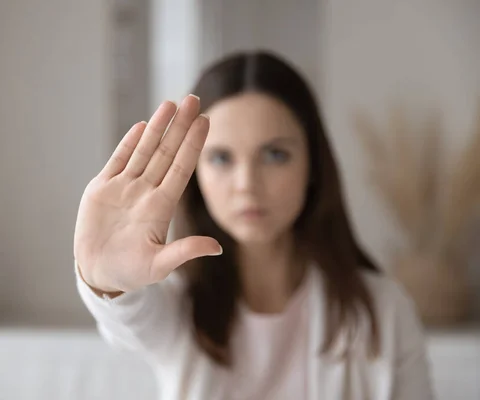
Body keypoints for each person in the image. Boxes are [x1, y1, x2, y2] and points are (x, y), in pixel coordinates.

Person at [73, 51, 434, 399]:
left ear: (313, 164)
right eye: (221, 157)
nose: (247, 183)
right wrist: (107, 281)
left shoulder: (386, 312)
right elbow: (129, 321)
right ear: (196, 174)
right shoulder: (177, 305)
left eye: (275, 154)